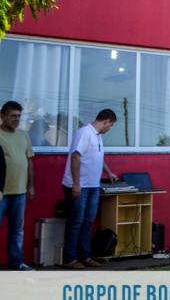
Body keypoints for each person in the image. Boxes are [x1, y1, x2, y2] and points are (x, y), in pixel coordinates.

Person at [61, 109, 118, 269]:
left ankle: (85, 256)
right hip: (80, 186)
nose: (109, 129)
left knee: (87, 222)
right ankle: (69, 258)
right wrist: (76, 183)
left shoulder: (98, 136)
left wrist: (108, 172)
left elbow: (98, 156)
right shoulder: (84, 133)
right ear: (105, 121)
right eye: (111, 125)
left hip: (93, 185)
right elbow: (75, 157)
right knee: (76, 222)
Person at [0, 101, 35, 270]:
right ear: (2, 116)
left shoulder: (23, 135)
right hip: (1, 193)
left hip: (20, 192)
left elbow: (29, 162)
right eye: (13, 115)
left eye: (19, 116)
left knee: (17, 231)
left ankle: (17, 263)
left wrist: (31, 186)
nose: (17, 119)